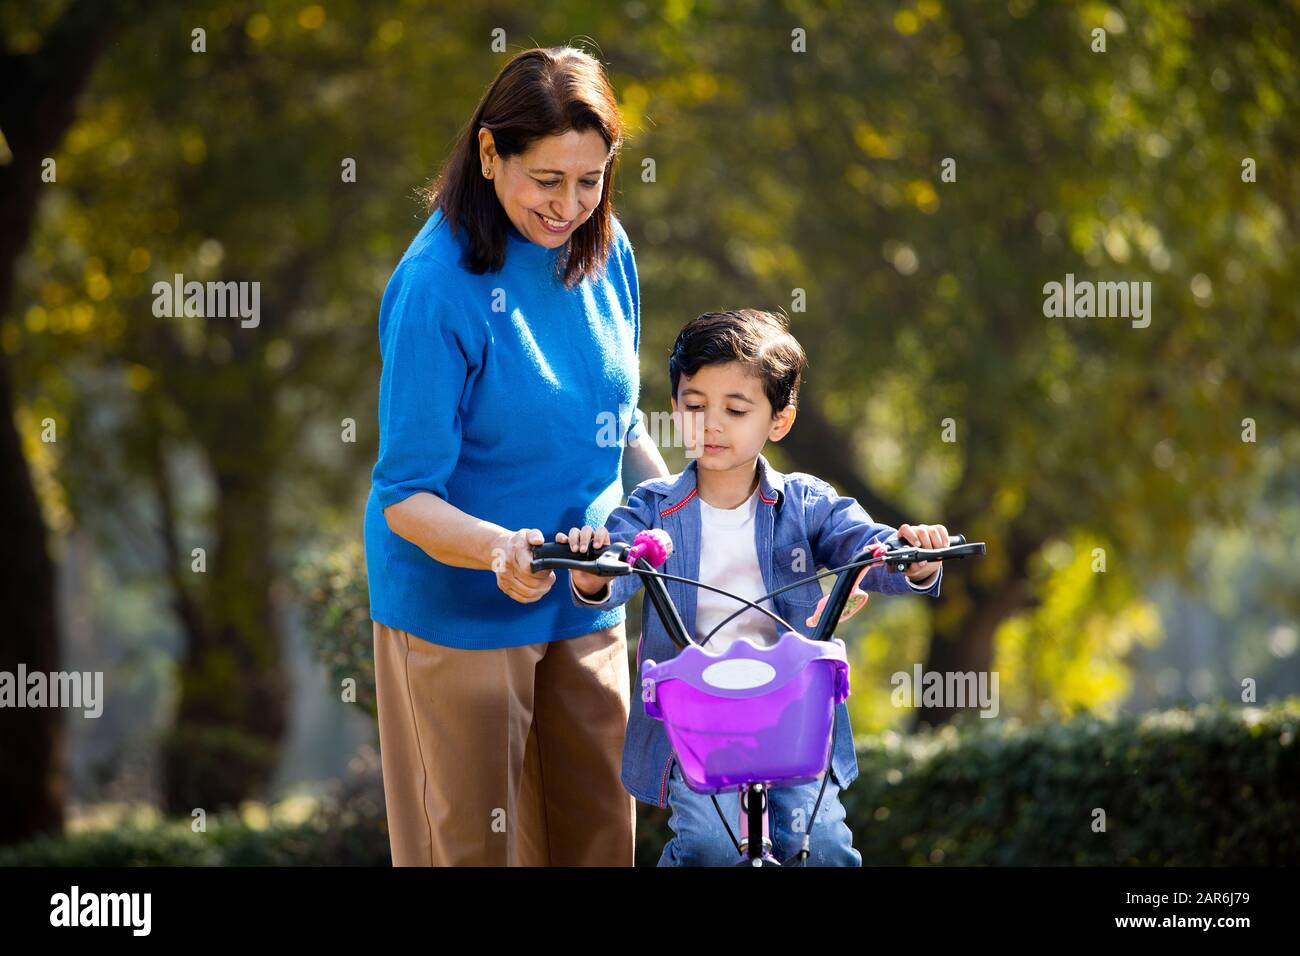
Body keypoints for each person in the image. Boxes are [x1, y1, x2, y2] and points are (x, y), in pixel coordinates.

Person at [364, 46, 668, 866]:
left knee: (599, 841)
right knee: (475, 851)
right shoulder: (435, 286)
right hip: (459, 608)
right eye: (547, 180)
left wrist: (687, 501)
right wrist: (500, 547)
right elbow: (405, 494)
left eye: (592, 178)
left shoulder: (607, 252)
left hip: (588, 588)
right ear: (491, 154)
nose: (570, 204)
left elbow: (621, 419)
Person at [557, 309, 951, 865]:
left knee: (824, 848)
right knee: (710, 847)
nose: (711, 424)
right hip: (699, 718)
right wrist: (593, 568)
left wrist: (915, 557)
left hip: (790, 712)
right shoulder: (652, 507)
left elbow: (866, 546)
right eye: (694, 407)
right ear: (674, 409)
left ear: (779, 421)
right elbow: (612, 566)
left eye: (735, 409)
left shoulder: (806, 502)